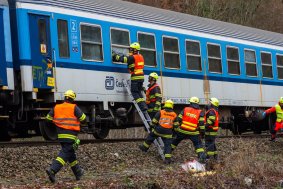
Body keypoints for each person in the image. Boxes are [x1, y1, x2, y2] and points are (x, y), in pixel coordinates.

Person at [45, 90, 86, 183]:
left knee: (70, 153)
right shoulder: (74, 107)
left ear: (65, 97)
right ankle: (52, 170)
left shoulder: (57, 107)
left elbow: (48, 119)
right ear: (72, 99)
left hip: (61, 135)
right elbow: (83, 118)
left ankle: (78, 173)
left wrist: (57, 122)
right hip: (71, 135)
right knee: (65, 153)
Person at [139, 100, 178, 164]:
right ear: (172, 106)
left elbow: (154, 121)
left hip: (158, 131)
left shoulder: (161, 112)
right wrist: (174, 133)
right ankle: (167, 159)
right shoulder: (174, 115)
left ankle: (144, 147)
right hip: (168, 133)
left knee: (151, 136)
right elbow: (176, 126)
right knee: (168, 145)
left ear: (165, 105)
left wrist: (151, 127)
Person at [112, 42, 147, 112]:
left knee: (134, 92)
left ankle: (142, 107)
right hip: (141, 77)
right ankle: (144, 105)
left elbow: (123, 60)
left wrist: (115, 56)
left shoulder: (133, 57)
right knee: (139, 92)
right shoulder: (141, 57)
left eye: (131, 49)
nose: (130, 50)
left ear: (135, 50)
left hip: (135, 77)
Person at [171, 97, 206, 163]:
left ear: (190, 103)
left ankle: (167, 154)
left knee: (174, 142)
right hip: (193, 133)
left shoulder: (185, 109)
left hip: (182, 131)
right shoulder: (200, 112)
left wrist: (176, 129)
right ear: (197, 103)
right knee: (198, 146)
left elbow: (178, 119)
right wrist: (202, 133)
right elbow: (201, 125)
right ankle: (202, 159)